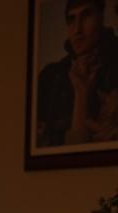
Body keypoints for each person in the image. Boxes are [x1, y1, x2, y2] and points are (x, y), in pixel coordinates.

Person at [36, 0, 118, 147]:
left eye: (86, 16)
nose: (77, 30)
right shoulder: (50, 76)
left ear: (101, 17)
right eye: (71, 19)